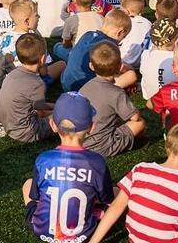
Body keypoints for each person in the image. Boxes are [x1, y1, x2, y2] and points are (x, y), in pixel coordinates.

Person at [22, 92, 113, 243]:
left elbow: (36, 196)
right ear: (92, 128)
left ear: (53, 125)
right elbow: (107, 199)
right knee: (115, 192)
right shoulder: (97, 162)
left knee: (28, 184)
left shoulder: (43, 159)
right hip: (84, 234)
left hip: (43, 231)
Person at [79, 42, 146, 157]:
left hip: (81, 141)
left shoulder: (84, 88)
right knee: (140, 123)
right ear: (120, 66)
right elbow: (135, 117)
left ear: (91, 66)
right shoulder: (116, 92)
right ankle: (132, 142)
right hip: (102, 145)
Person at [0, 33, 55, 143]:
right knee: (67, 115)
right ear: (43, 58)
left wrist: (55, 106)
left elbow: (36, 105)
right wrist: (58, 110)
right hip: (28, 131)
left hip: (9, 126)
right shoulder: (36, 83)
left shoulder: (12, 74)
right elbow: (41, 112)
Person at [62, 9, 135, 92]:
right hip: (86, 89)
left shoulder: (88, 34)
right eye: (124, 36)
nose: (122, 40)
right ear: (119, 32)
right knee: (131, 75)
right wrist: (129, 68)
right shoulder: (110, 46)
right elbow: (119, 68)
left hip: (66, 83)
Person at [140, 17, 178, 100]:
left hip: (150, 97)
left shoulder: (145, 55)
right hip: (172, 97)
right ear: (176, 41)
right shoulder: (177, 59)